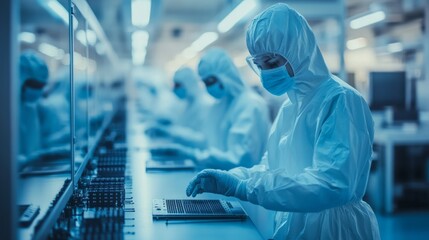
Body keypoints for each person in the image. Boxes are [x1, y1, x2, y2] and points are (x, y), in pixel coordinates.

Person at [186, 4, 380, 239]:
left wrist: (245, 188)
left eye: (271, 62)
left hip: (334, 229)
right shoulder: (290, 107)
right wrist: (233, 178)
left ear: (298, 51)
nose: (266, 72)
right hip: (295, 221)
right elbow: (270, 169)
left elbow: (330, 186)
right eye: (259, 65)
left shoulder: (341, 100)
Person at [151, 48, 271, 170]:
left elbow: (241, 159)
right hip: (221, 177)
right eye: (205, 82)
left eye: (210, 81)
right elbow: (207, 141)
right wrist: (181, 148)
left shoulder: (250, 104)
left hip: (241, 183)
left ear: (226, 75)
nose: (208, 87)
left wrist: (193, 154)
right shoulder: (221, 105)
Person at [145, 67, 214, 147]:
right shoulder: (187, 103)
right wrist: (169, 122)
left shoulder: (204, 104)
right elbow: (183, 125)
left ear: (188, 83)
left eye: (178, 85)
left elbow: (202, 139)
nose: (174, 89)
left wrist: (169, 131)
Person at [18, 51, 49, 167]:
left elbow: (33, 147)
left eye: (42, 86)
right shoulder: (7, 110)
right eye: (34, 84)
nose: (38, 90)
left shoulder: (30, 108)